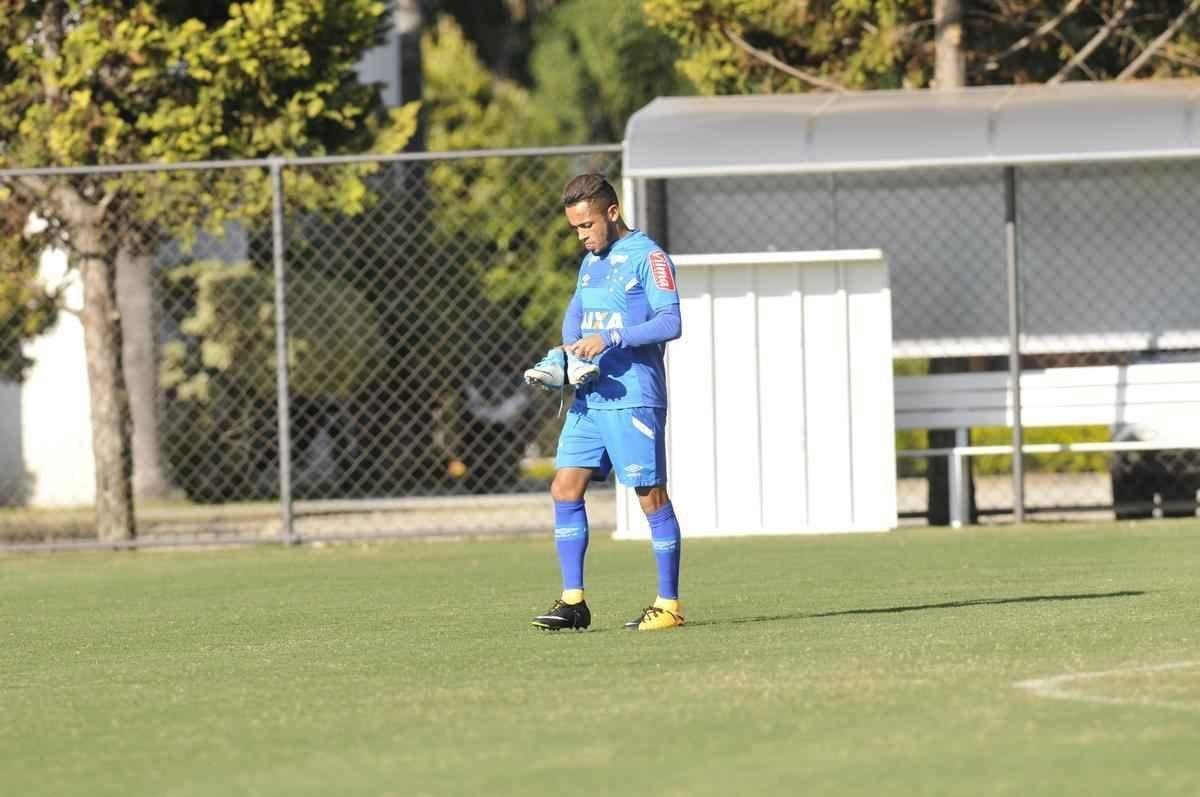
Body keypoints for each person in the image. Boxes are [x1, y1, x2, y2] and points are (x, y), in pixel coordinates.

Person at [524, 173, 685, 632]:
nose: (582, 236)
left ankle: (669, 604)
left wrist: (611, 338)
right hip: (590, 396)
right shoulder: (591, 261)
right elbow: (577, 309)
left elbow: (671, 322)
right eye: (575, 228)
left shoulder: (649, 257)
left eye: (587, 225)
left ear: (612, 213)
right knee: (564, 488)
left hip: (633, 396)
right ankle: (574, 601)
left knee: (650, 497)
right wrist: (568, 352)